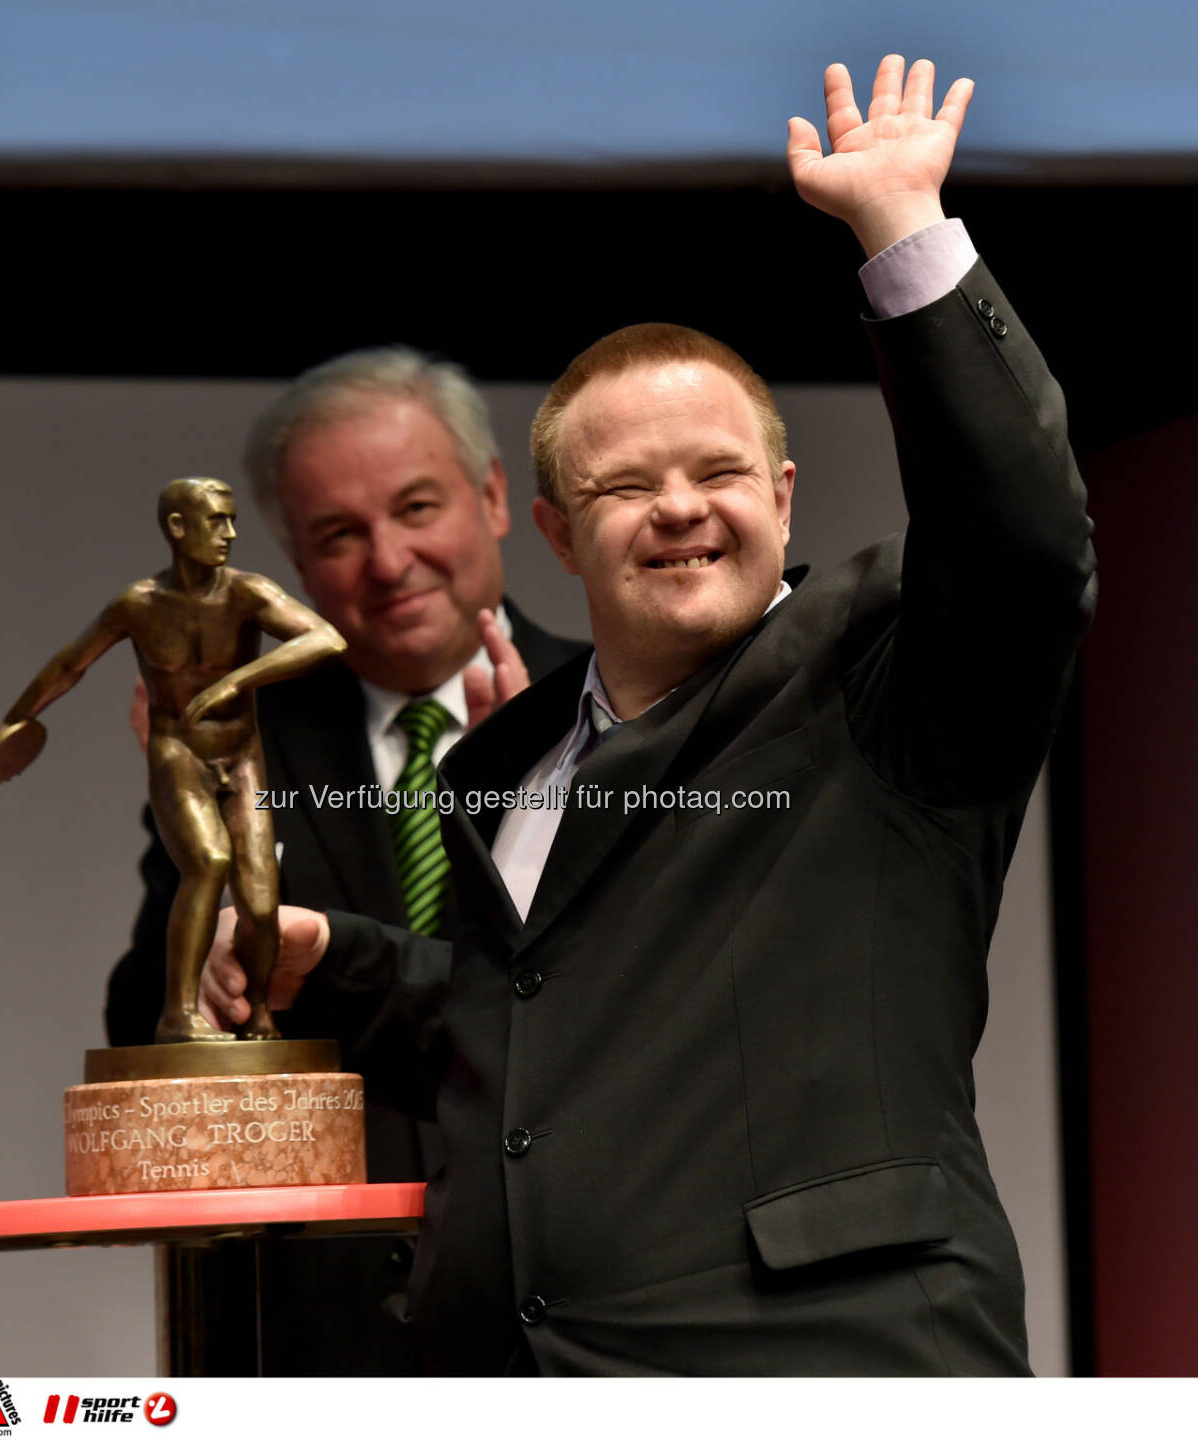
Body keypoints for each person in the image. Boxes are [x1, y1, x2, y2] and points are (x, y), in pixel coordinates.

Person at [201, 56, 1097, 1375]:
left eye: (717, 472)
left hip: (829, 1370)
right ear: (557, 534)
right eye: (628, 485)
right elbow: (555, 1023)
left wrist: (900, 227)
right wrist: (340, 961)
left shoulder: (883, 679)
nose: (678, 506)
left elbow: (1023, 538)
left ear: (783, 499)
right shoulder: (503, 766)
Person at [105, 350, 584, 1373]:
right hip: (305, 1323)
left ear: (494, 496)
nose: (386, 560)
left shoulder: (615, 712)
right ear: (293, 560)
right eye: (338, 535)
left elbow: (603, 1017)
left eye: (417, 507)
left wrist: (509, 820)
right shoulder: (241, 734)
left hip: (561, 1309)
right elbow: (147, 1021)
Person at [0, 476, 346, 1042]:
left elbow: (326, 639)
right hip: (178, 751)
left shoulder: (247, 593)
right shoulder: (140, 605)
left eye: (232, 519)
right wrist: (18, 717)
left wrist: (238, 681)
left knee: (262, 901)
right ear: (178, 528)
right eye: (216, 520)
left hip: (241, 756)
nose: (230, 532)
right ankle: (178, 1013)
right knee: (206, 861)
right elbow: (71, 663)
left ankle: (262, 1016)